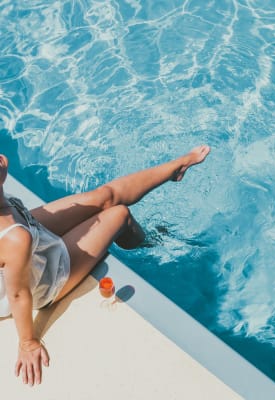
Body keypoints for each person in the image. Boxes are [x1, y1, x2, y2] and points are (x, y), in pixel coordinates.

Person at [0, 145, 210, 386]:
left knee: (105, 196)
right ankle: (150, 247)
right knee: (120, 214)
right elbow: (18, 294)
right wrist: (28, 343)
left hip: (28, 239)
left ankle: (177, 166)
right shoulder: (14, 238)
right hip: (44, 279)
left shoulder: (11, 225)